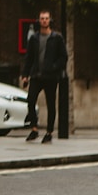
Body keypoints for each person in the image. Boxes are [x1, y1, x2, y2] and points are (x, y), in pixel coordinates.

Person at [20, 9, 68, 144]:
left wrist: (53, 67)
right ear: (38, 21)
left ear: (50, 20)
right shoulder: (34, 38)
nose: (44, 21)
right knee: (30, 100)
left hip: (51, 77)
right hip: (36, 75)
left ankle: (49, 132)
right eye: (42, 18)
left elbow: (63, 57)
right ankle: (34, 129)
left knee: (51, 104)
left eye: (46, 18)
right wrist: (25, 75)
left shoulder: (57, 38)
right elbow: (28, 58)